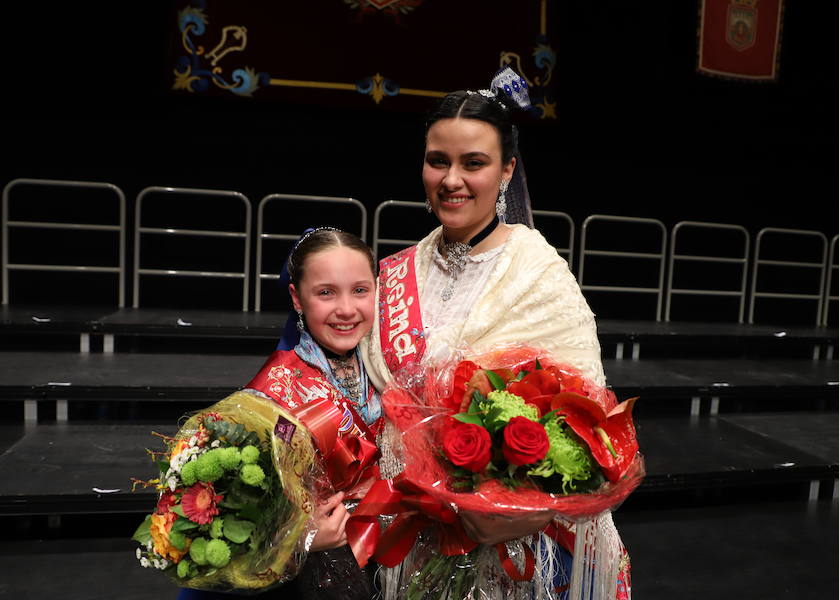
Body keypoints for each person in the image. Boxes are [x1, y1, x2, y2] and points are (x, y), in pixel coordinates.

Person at [361, 69, 631, 599]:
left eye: (473, 163)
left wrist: (510, 502)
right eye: (438, 161)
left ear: (507, 170)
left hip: (519, 542)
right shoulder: (401, 268)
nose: (451, 179)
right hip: (416, 528)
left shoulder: (536, 270)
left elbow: (586, 412)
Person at [178, 227, 381, 600]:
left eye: (360, 290)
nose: (347, 309)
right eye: (326, 293)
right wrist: (304, 538)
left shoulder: (391, 368)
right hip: (313, 578)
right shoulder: (271, 395)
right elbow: (243, 520)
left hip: (390, 559)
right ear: (297, 298)